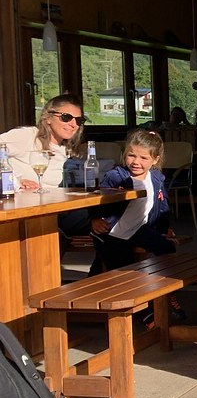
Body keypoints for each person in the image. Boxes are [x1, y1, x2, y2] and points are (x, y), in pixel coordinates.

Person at [1, 94, 90, 237]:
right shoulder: (27, 136)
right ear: (48, 118)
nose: (73, 124)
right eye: (66, 117)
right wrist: (15, 180)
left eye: (79, 120)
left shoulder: (64, 149)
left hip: (54, 210)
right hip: (25, 214)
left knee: (105, 216)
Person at [89, 128, 177, 272]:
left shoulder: (156, 179)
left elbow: (162, 206)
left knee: (167, 248)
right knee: (121, 269)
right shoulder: (116, 177)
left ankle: (166, 282)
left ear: (155, 160)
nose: (136, 162)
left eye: (143, 158)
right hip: (112, 232)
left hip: (138, 229)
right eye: (131, 155)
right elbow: (97, 199)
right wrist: (95, 218)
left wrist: (163, 228)